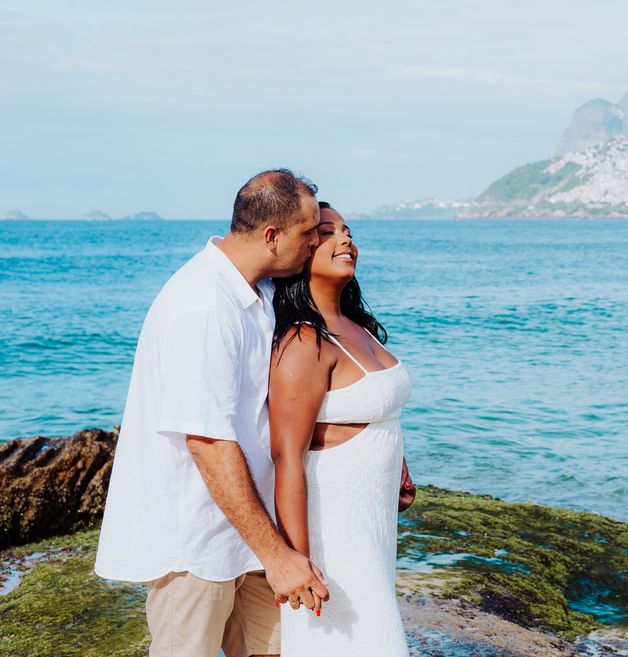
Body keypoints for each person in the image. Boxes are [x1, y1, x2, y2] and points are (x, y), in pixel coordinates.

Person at [96, 169, 330, 657]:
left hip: (247, 534)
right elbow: (206, 442)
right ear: (272, 236)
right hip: (195, 545)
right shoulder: (203, 306)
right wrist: (277, 556)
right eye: (308, 232)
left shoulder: (254, 292)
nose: (316, 241)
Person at [269, 203, 416, 656]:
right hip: (332, 531)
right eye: (329, 233)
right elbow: (287, 457)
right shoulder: (303, 342)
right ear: (304, 249)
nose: (346, 240)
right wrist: (298, 560)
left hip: (370, 524)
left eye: (349, 231)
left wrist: (401, 470)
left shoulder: (355, 327)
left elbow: (377, 411)